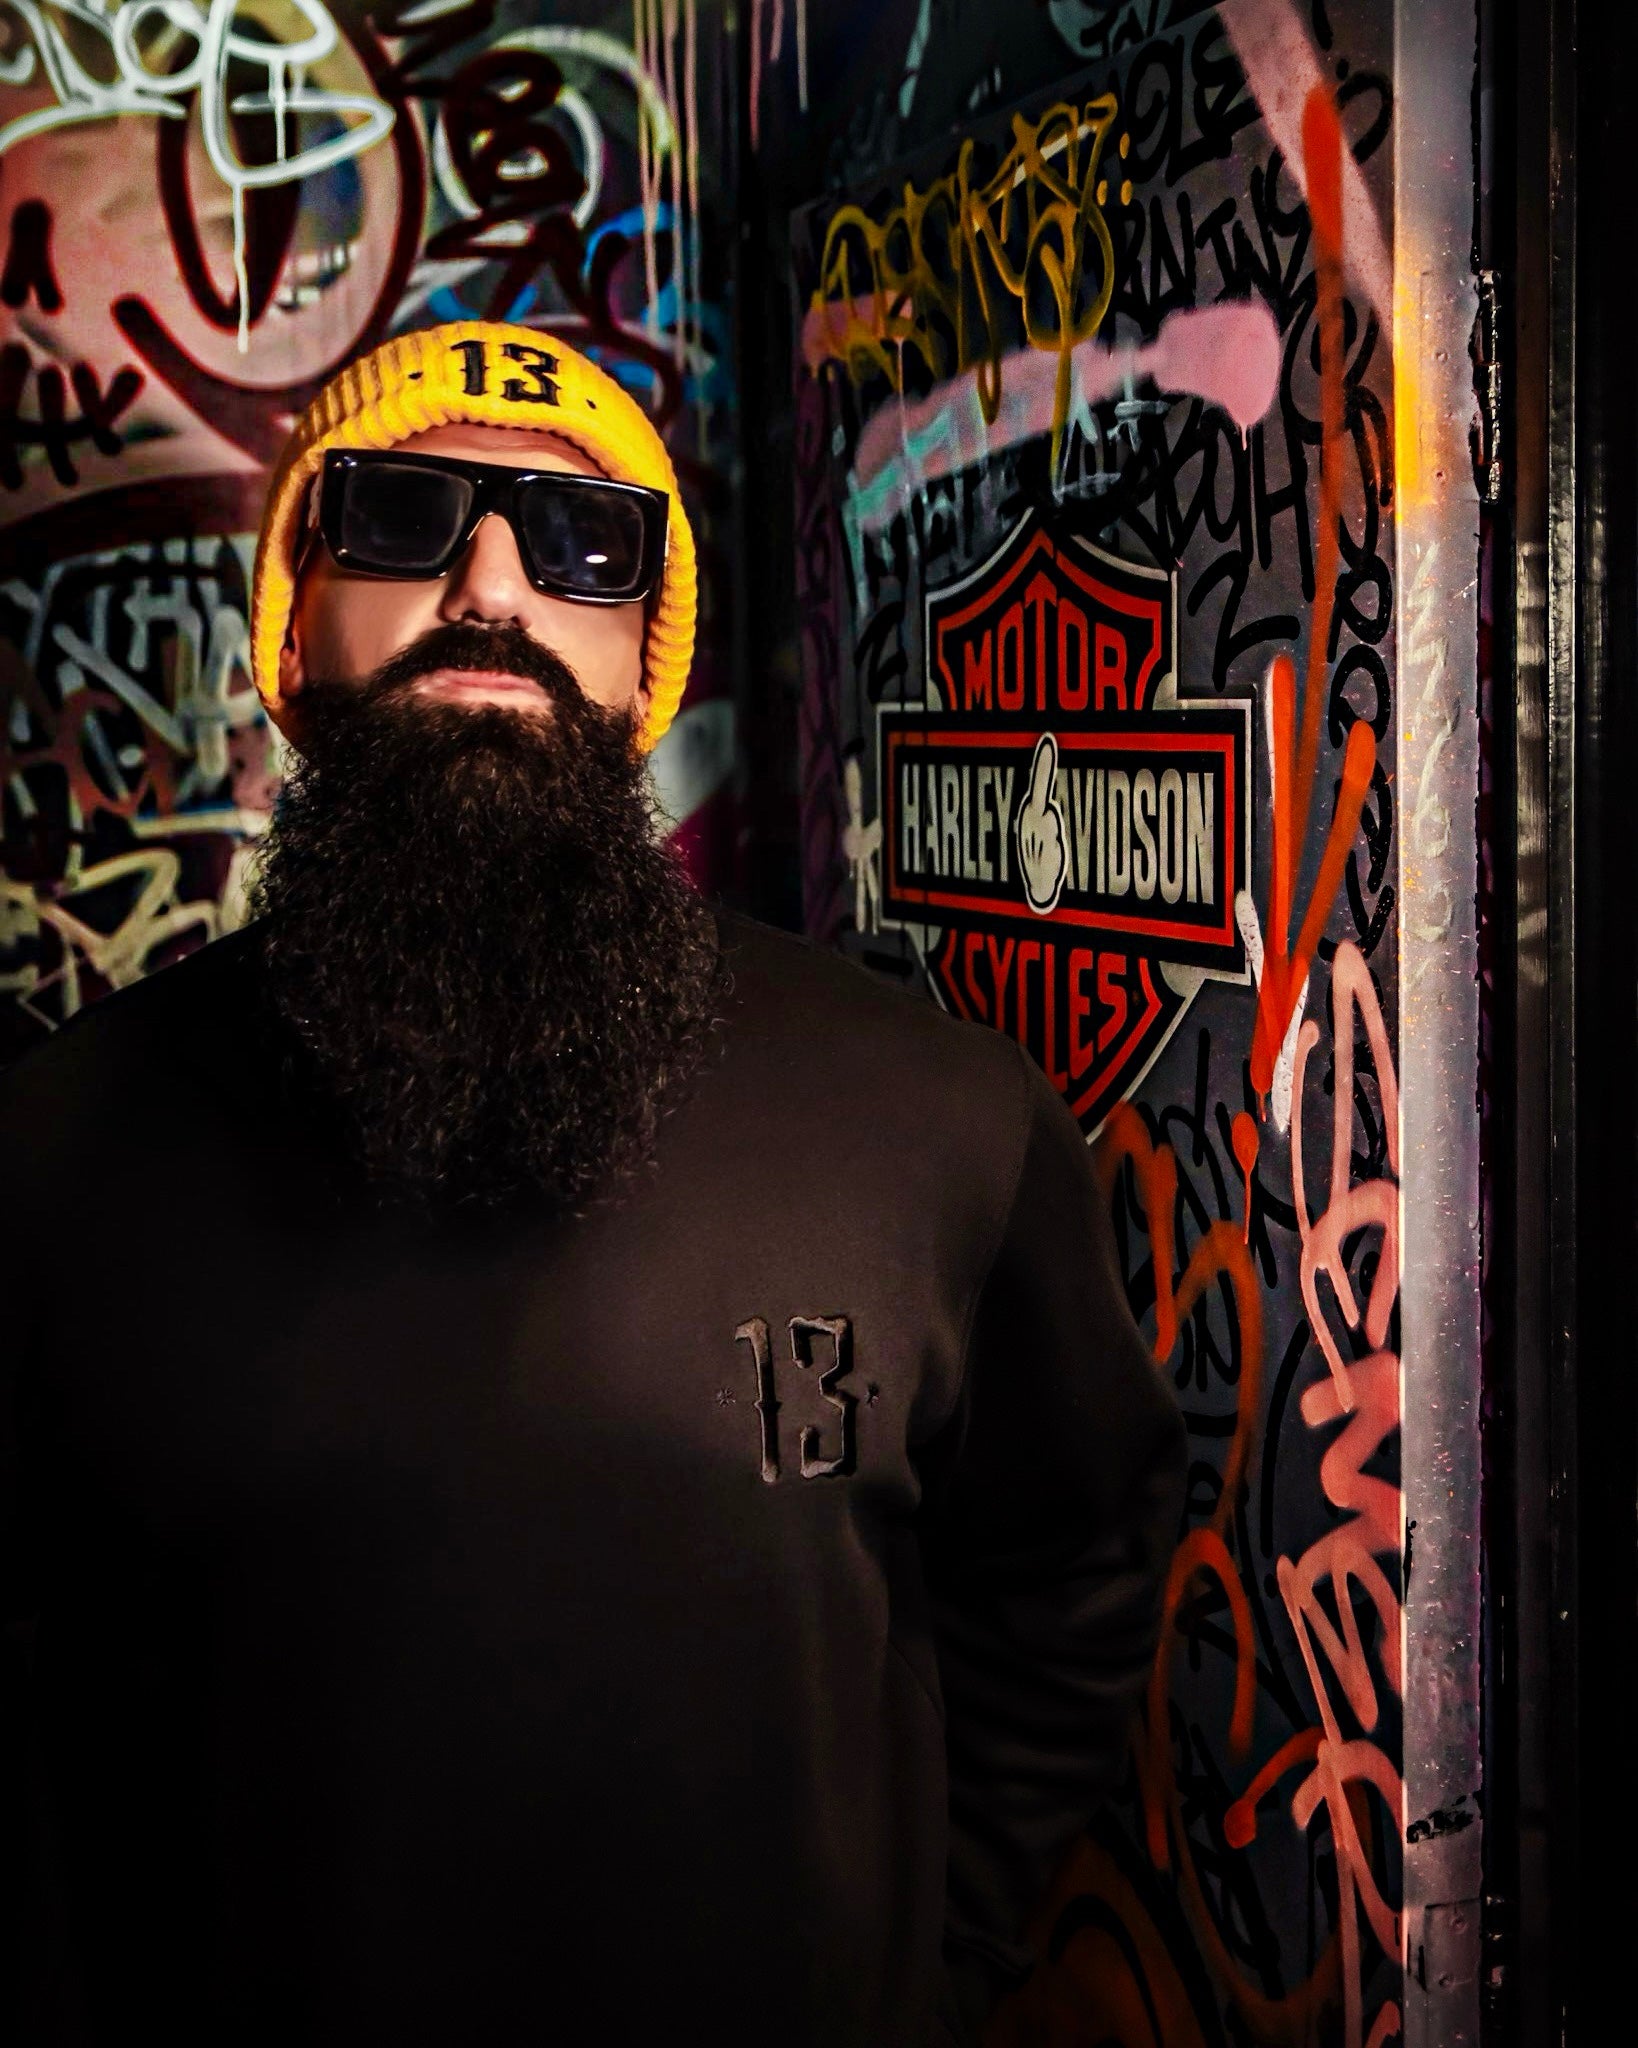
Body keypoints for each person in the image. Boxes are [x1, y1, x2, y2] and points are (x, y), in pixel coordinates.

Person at [0, 322, 1184, 2046]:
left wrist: (934, 1955)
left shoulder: (935, 1116)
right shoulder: (57, 1144)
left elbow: (1075, 1560)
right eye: (401, 515)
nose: (490, 586)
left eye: (582, 542)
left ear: (642, 665)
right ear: (292, 634)